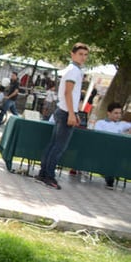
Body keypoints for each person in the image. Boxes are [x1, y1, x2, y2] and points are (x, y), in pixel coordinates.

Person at [36, 42, 89, 190]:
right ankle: (48, 176)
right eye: (80, 54)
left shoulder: (74, 70)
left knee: (54, 145)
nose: (83, 57)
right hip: (65, 112)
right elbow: (68, 93)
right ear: (72, 54)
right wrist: (71, 114)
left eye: (85, 55)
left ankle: (43, 174)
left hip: (64, 110)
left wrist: (74, 113)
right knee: (58, 147)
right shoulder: (73, 71)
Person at [93, 102, 131, 189]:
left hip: (117, 151)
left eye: (120, 113)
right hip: (104, 149)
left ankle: (110, 176)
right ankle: (110, 176)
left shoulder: (122, 124)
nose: (118, 115)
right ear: (109, 113)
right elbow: (99, 137)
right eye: (116, 113)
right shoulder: (101, 123)